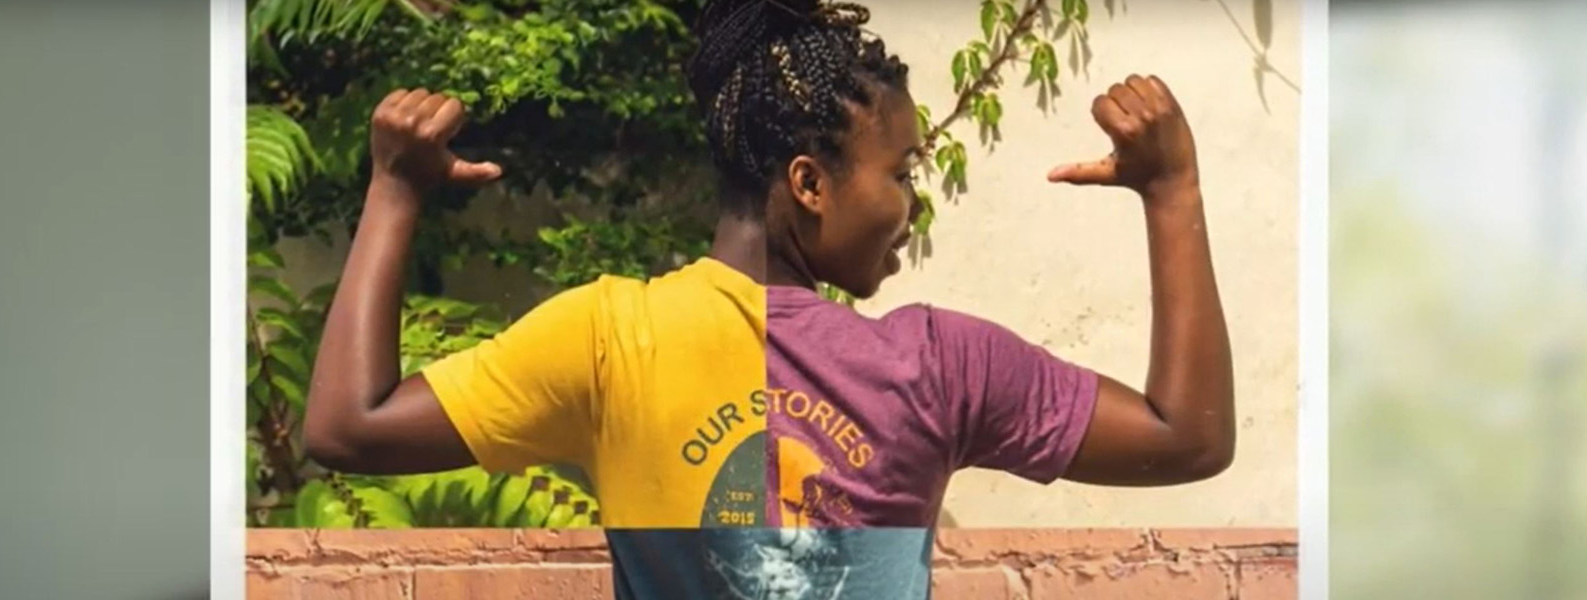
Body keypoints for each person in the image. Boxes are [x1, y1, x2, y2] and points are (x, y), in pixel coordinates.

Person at [303, 0, 1234, 597]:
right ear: (810, 183)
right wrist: (1172, 191)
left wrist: (394, 191)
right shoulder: (937, 363)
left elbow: (350, 426)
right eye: (901, 173)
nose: (909, 206)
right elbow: (1184, 438)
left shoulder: (608, 336)